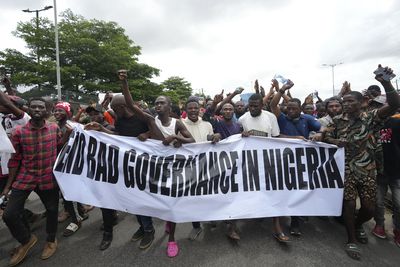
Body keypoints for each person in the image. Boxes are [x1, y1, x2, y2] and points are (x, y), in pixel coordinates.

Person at [323, 65, 400, 260]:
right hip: (346, 169)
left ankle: (358, 225)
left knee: (369, 208)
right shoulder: (338, 120)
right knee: (349, 204)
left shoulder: (370, 117)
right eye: (344, 102)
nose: (346, 105)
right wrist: (334, 141)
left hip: (368, 170)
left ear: (362, 102)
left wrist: (385, 82)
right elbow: (326, 138)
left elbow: (393, 105)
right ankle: (351, 238)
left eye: (350, 101)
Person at [85, 71, 162, 251]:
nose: (114, 110)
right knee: (132, 199)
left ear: (121, 107)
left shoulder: (142, 116)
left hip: (145, 165)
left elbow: (156, 131)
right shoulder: (120, 120)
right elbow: (118, 137)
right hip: (128, 165)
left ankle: (149, 229)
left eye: (115, 107)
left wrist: (147, 134)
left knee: (142, 199)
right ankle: (142, 227)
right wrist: (101, 129)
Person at [1, 97, 68, 266]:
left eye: (41, 107)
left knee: (52, 210)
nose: (37, 110)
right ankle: (27, 240)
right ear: (29, 110)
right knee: (9, 214)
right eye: (34, 107)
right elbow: (15, 160)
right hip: (26, 177)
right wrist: (7, 187)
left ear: (47, 111)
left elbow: (60, 149)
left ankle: (51, 240)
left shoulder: (54, 129)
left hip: (47, 178)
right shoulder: (19, 133)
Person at [270, 79, 321, 236]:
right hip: (282, 160)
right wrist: (282, 90)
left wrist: (320, 134)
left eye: (293, 108)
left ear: (300, 109)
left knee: (298, 191)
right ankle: (279, 220)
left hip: (301, 161)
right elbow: (273, 106)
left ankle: (295, 223)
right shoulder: (282, 118)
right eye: (288, 108)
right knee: (282, 191)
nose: (290, 111)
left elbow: (323, 128)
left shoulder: (308, 119)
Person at [238, 93, 289, 243]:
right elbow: (236, 138)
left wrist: (296, 139)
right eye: (250, 106)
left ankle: (276, 226)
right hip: (250, 161)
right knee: (250, 191)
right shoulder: (243, 119)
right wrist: (241, 135)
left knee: (274, 192)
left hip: (269, 161)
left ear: (262, 105)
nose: (252, 108)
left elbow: (276, 137)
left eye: (256, 106)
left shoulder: (270, 117)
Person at [154, 95, 195, 257]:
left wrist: (177, 137)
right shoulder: (152, 120)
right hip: (156, 167)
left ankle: (171, 239)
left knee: (172, 203)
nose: (158, 105)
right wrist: (144, 135)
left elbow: (190, 139)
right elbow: (150, 133)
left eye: (162, 103)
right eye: (156, 103)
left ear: (169, 107)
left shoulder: (176, 123)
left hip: (174, 167)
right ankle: (168, 220)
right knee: (163, 201)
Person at [182, 98, 220, 241]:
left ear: (200, 109)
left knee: (208, 194)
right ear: (186, 110)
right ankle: (196, 226)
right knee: (193, 198)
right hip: (189, 167)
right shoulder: (180, 124)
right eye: (190, 108)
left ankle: (210, 217)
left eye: (195, 108)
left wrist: (216, 136)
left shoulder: (207, 124)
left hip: (206, 166)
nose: (193, 110)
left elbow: (211, 138)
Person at [213, 102, 242, 240]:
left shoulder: (239, 126)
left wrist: (245, 135)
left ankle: (232, 227)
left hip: (235, 165)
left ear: (234, 111)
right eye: (225, 109)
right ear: (222, 111)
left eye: (230, 109)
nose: (228, 111)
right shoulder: (216, 124)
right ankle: (215, 217)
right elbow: (209, 136)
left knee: (234, 196)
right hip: (219, 164)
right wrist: (213, 136)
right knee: (219, 193)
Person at [371, 112, 400, 247]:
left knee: (398, 203)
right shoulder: (370, 124)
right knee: (378, 201)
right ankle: (379, 225)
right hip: (378, 171)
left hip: (397, 171)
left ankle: (398, 230)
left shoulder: (396, 122)